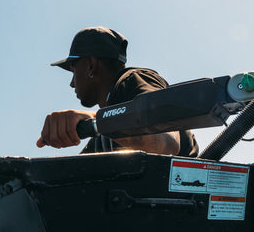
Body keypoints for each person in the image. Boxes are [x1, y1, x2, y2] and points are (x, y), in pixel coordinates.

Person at [38, 26, 198, 156]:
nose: (72, 84)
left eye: (74, 71)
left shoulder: (133, 79)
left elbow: (167, 142)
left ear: (90, 65)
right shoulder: (102, 134)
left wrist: (97, 120)